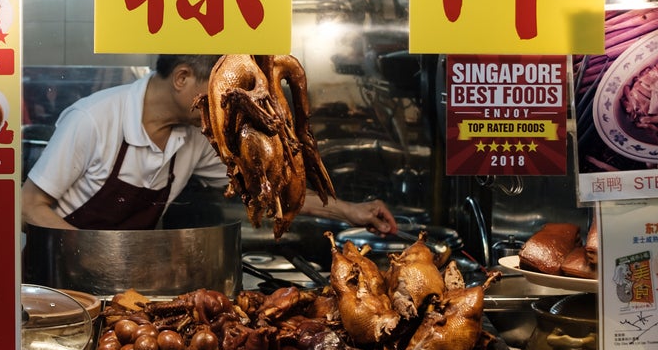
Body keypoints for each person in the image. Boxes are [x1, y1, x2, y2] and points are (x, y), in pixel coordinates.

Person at [21, 54, 398, 234]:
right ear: (182, 77)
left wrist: (351, 211)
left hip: (125, 283)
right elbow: (27, 206)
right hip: (62, 286)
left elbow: (266, 194)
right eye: (219, 90)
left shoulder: (195, 137)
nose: (226, 103)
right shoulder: (93, 119)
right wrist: (97, 255)